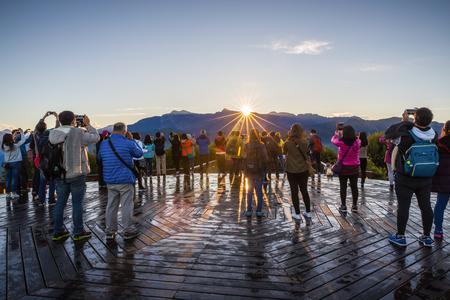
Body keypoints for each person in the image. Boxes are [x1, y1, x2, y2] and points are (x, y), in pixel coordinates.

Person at [386, 108, 438, 247]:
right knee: (426, 206)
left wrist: (404, 122)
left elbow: (390, 136)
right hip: (426, 177)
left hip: (405, 177)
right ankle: (426, 236)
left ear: (414, 119)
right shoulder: (434, 135)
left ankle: (401, 236)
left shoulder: (405, 135)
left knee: (403, 206)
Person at [50, 111, 99, 241]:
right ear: (73, 120)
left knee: (60, 203)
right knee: (77, 203)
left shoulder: (54, 133)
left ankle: (58, 231)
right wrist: (88, 125)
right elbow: (95, 137)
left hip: (60, 173)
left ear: (60, 121)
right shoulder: (78, 134)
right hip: (76, 172)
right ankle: (78, 231)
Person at [98, 122, 143, 240]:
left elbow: (99, 158)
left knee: (111, 205)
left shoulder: (104, 144)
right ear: (124, 132)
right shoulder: (128, 143)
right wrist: (132, 140)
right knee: (126, 205)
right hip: (125, 180)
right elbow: (139, 153)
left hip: (110, 180)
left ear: (112, 131)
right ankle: (128, 230)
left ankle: (110, 231)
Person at [283, 124, 312, 219]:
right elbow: (307, 153)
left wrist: (289, 137)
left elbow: (284, 152)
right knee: (304, 191)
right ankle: (308, 212)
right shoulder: (305, 142)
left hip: (291, 170)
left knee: (294, 191)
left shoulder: (287, 143)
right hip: (303, 170)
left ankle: (297, 213)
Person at [29, 112, 60, 199]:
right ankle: (52, 197)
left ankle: (39, 196)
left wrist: (44, 116)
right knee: (52, 179)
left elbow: (37, 127)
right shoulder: (50, 136)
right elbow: (58, 129)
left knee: (40, 178)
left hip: (38, 157)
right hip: (49, 159)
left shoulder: (35, 134)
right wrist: (57, 117)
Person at [332, 125, 361, 213]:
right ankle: (355, 205)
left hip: (343, 167)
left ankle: (343, 205)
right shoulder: (357, 142)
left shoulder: (341, 142)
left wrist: (336, 134)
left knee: (343, 186)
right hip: (354, 167)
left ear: (343, 133)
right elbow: (358, 139)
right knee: (354, 186)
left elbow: (334, 141)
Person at [431, 120, 450, 239]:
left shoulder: (439, 143)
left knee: (440, 205)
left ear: (445, 129)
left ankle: (438, 230)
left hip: (443, 180)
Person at [244, 128, 268, 217]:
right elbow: (265, 160)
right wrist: (264, 171)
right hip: (259, 171)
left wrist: (245, 170)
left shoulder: (246, 145)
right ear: (258, 135)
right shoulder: (262, 145)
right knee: (259, 191)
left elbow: (244, 159)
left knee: (249, 191)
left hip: (249, 172)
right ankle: (258, 211)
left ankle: (249, 210)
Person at [2, 130, 30, 199]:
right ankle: (13, 193)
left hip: (7, 164)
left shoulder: (4, 146)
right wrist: (22, 133)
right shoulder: (16, 145)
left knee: (8, 179)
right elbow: (23, 140)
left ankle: (7, 194)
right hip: (16, 163)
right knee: (14, 178)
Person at [37, 130, 57, 206]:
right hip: (52, 165)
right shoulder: (53, 144)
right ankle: (51, 200)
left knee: (42, 184)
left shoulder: (40, 143)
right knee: (52, 183)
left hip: (42, 165)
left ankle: (41, 201)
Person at [12, 129, 31, 193]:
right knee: (17, 173)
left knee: (24, 172)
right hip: (17, 158)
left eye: (19, 132)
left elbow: (27, 140)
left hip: (23, 157)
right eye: (17, 132)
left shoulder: (21, 141)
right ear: (13, 134)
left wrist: (31, 135)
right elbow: (18, 137)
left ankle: (24, 186)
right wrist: (23, 132)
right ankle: (18, 187)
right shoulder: (14, 140)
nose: (18, 133)